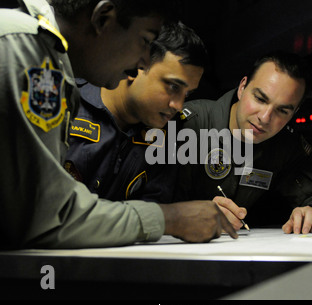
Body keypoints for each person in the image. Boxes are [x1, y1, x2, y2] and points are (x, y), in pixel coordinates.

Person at [0, 0, 237, 250]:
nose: (144, 61)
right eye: (145, 41)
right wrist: (171, 218)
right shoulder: (22, 48)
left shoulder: (31, 47)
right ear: (103, 19)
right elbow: (45, 217)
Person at [175, 51, 312, 234]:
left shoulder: (285, 145)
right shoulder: (186, 125)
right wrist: (189, 213)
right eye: (260, 99)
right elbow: (145, 201)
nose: (265, 118)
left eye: (282, 111)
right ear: (242, 87)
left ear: (293, 114)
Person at [64, 21, 206, 204]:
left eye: (187, 94)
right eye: (173, 86)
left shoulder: (168, 135)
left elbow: (157, 212)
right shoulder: (67, 103)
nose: (178, 105)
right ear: (135, 66)